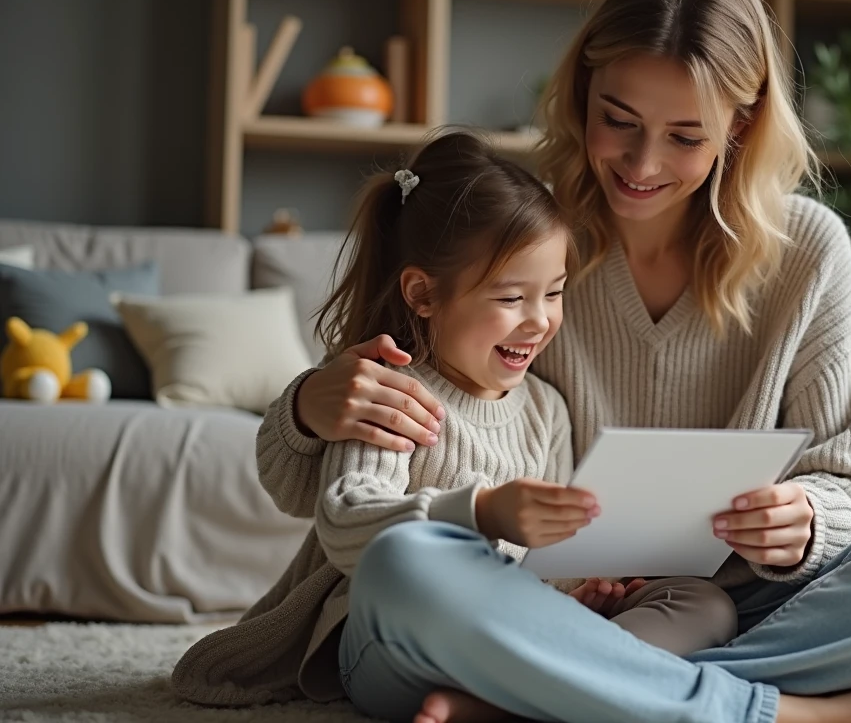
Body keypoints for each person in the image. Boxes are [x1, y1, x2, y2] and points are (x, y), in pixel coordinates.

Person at [223, 0, 851, 723]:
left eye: (685, 137)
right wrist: (305, 408)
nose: (642, 163)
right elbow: (329, 490)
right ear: (581, 94)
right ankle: (775, 710)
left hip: (706, 604)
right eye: (619, 120)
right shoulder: (520, 235)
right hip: (514, 603)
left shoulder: (809, 251)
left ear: (741, 128)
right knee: (407, 568)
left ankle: (548, 697)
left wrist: (807, 519)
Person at [170, 131, 742, 709]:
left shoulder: (547, 410)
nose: (540, 321)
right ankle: (562, 684)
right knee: (407, 563)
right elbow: (345, 525)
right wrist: (482, 513)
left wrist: (581, 593)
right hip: (393, 636)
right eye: (511, 298)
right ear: (423, 293)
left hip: (510, 630)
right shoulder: (392, 388)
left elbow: (554, 559)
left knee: (703, 604)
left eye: (554, 293)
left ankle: (504, 703)